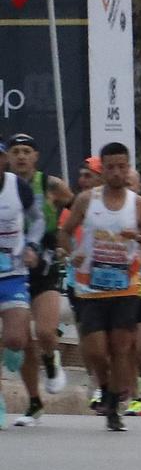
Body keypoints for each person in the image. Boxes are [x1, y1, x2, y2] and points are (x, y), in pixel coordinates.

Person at [61, 143, 141, 432]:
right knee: (95, 350)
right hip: (90, 286)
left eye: (122, 166)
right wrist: (72, 253)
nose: (117, 172)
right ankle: (107, 388)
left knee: (121, 346)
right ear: (102, 169)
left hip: (126, 287)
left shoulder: (138, 204)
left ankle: (115, 407)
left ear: (128, 167)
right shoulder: (86, 200)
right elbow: (65, 232)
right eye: (110, 167)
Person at [6, 134, 72, 426]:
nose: (20, 157)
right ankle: (34, 401)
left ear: (36, 156)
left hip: (43, 262)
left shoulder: (51, 184)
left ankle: (52, 359)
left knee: (46, 332)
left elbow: (76, 210)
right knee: (22, 340)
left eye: (26, 151)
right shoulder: (7, 185)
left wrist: (65, 242)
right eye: (15, 151)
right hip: (11, 265)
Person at [0, 155, 44, 427]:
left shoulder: (18, 187)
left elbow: (37, 220)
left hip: (13, 273)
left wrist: (32, 246)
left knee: (17, 339)